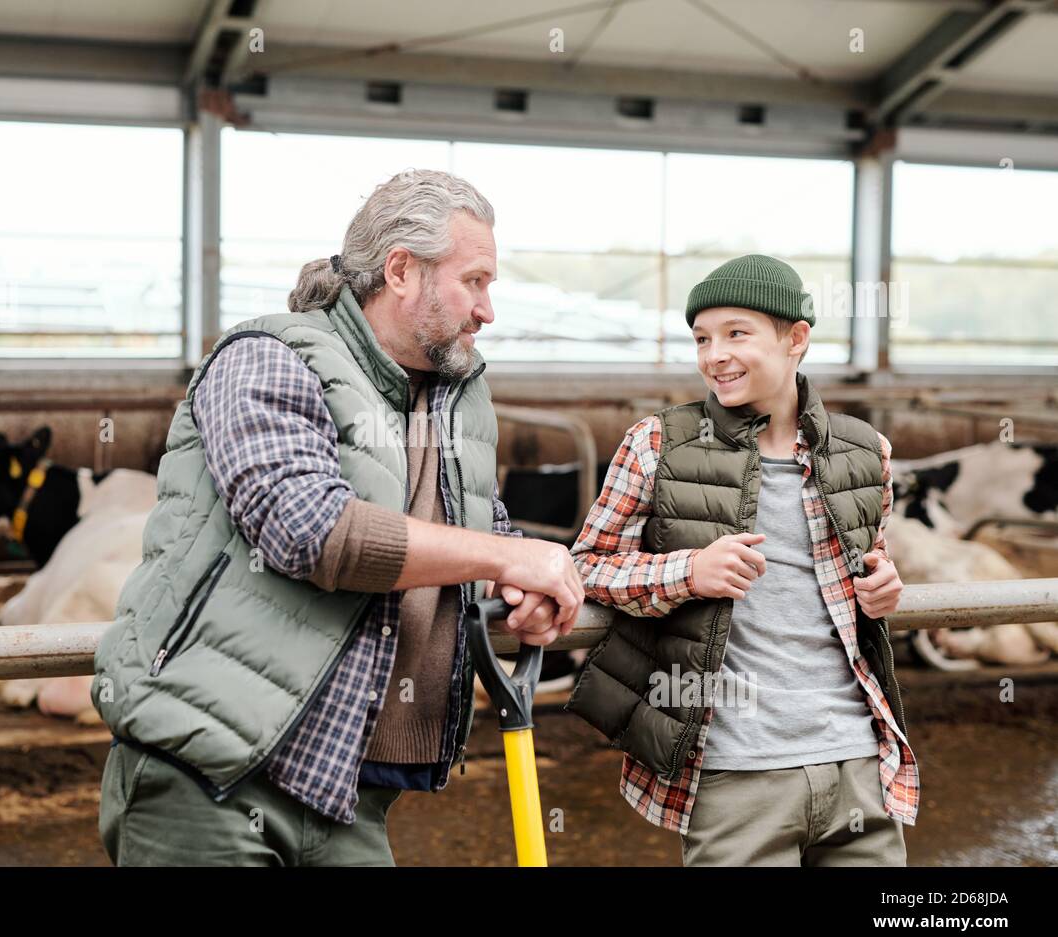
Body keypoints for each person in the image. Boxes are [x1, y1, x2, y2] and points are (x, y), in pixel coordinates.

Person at [92, 168, 584, 866]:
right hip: (216, 770)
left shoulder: (450, 402)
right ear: (402, 270)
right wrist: (506, 558)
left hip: (348, 790)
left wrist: (520, 589)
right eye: (474, 281)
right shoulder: (268, 357)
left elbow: (481, 533)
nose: (487, 310)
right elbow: (309, 529)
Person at [566, 254, 919, 865]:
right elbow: (589, 564)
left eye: (737, 333)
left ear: (796, 339)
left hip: (857, 761)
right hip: (734, 774)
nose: (714, 355)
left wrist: (885, 589)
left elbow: (869, 563)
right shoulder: (657, 443)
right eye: (702, 338)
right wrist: (687, 572)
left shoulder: (867, 452)